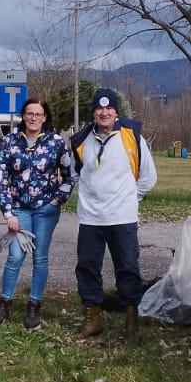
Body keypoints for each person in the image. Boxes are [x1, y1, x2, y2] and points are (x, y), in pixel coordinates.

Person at [68, 87, 156, 341]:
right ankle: (92, 320)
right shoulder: (80, 141)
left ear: (117, 112)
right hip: (90, 219)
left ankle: (131, 322)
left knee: (128, 268)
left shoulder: (133, 136)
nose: (104, 112)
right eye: (99, 108)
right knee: (87, 268)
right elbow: (75, 175)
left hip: (123, 218)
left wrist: (129, 199)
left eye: (109, 108)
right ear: (93, 113)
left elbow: (148, 177)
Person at [0, 97, 75, 330]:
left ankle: (34, 305)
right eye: (29, 113)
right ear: (23, 116)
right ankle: (5, 302)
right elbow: (1, 178)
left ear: (45, 117)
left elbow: (69, 177)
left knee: (40, 258)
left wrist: (57, 200)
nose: (33, 118)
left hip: (45, 210)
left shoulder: (57, 143)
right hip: (19, 209)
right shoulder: (9, 142)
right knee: (15, 256)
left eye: (38, 114)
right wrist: (9, 213)